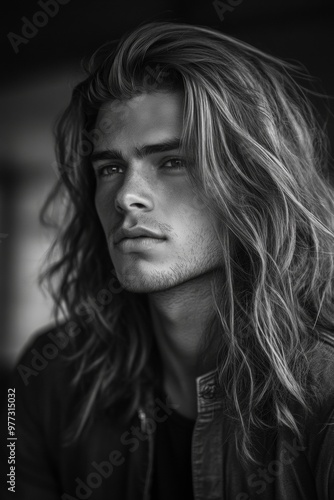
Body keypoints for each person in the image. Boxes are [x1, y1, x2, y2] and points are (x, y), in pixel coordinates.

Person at [10, 21, 334, 500]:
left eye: (172, 161)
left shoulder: (323, 392)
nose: (126, 196)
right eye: (111, 168)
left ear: (253, 185)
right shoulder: (52, 374)